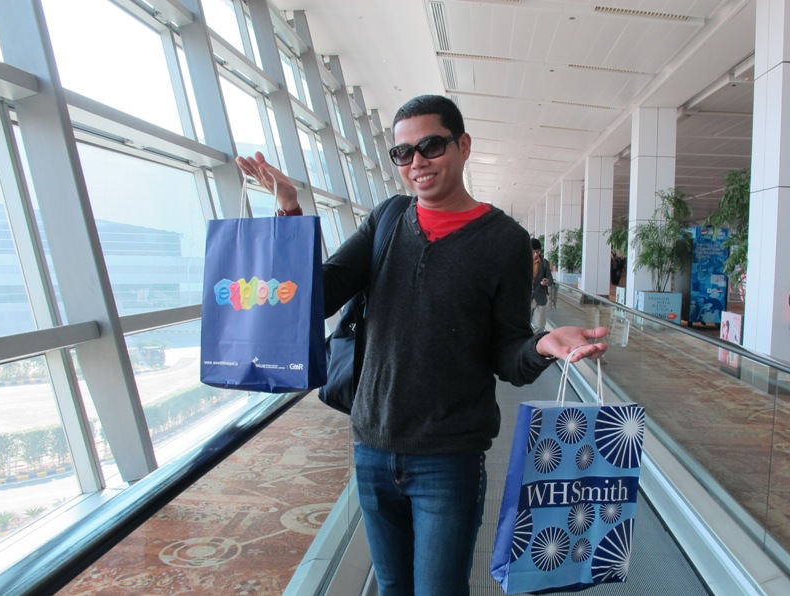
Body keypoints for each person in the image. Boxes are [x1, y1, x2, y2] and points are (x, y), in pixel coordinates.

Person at [237, 94, 607, 596]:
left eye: (431, 146)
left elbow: (508, 354)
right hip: (372, 446)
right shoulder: (387, 219)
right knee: (393, 589)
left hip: (448, 458)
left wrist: (543, 345)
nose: (417, 162)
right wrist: (289, 210)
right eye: (403, 153)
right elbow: (317, 296)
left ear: (463, 145)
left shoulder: (505, 240)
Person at [530, 238, 554, 331]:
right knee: (523, 325)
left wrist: (546, 281)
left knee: (539, 326)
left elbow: (550, 279)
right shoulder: (522, 262)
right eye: (533, 252)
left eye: (538, 252)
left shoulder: (544, 263)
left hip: (540, 298)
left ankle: (536, 340)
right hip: (525, 299)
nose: (536, 254)